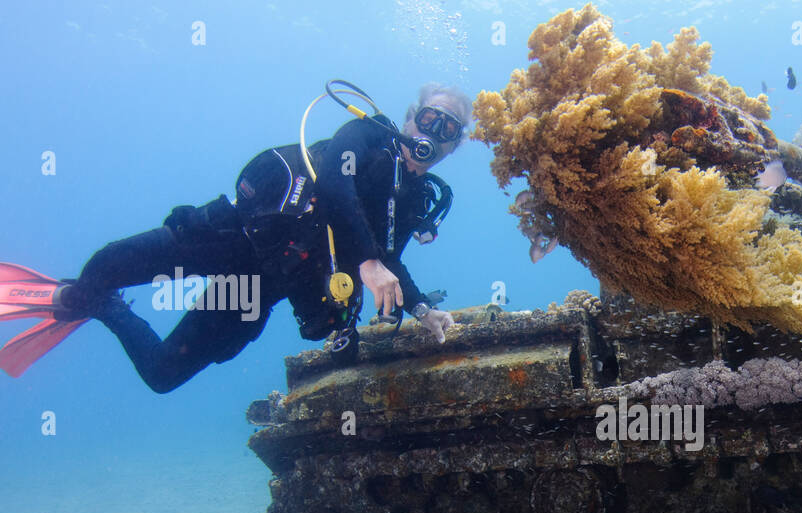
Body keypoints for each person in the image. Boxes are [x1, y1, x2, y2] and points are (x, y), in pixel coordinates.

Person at [0, 82, 467, 389]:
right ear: (409, 118)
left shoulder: (412, 199)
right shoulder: (364, 135)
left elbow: (391, 261)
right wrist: (367, 262)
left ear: (455, 145)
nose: (435, 134)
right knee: (102, 267)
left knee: (163, 373)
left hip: (260, 287)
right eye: (430, 119)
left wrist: (422, 307)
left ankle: (106, 307)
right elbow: (334, 183)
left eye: (449, 130)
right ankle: (81, 294)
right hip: (233, 237)